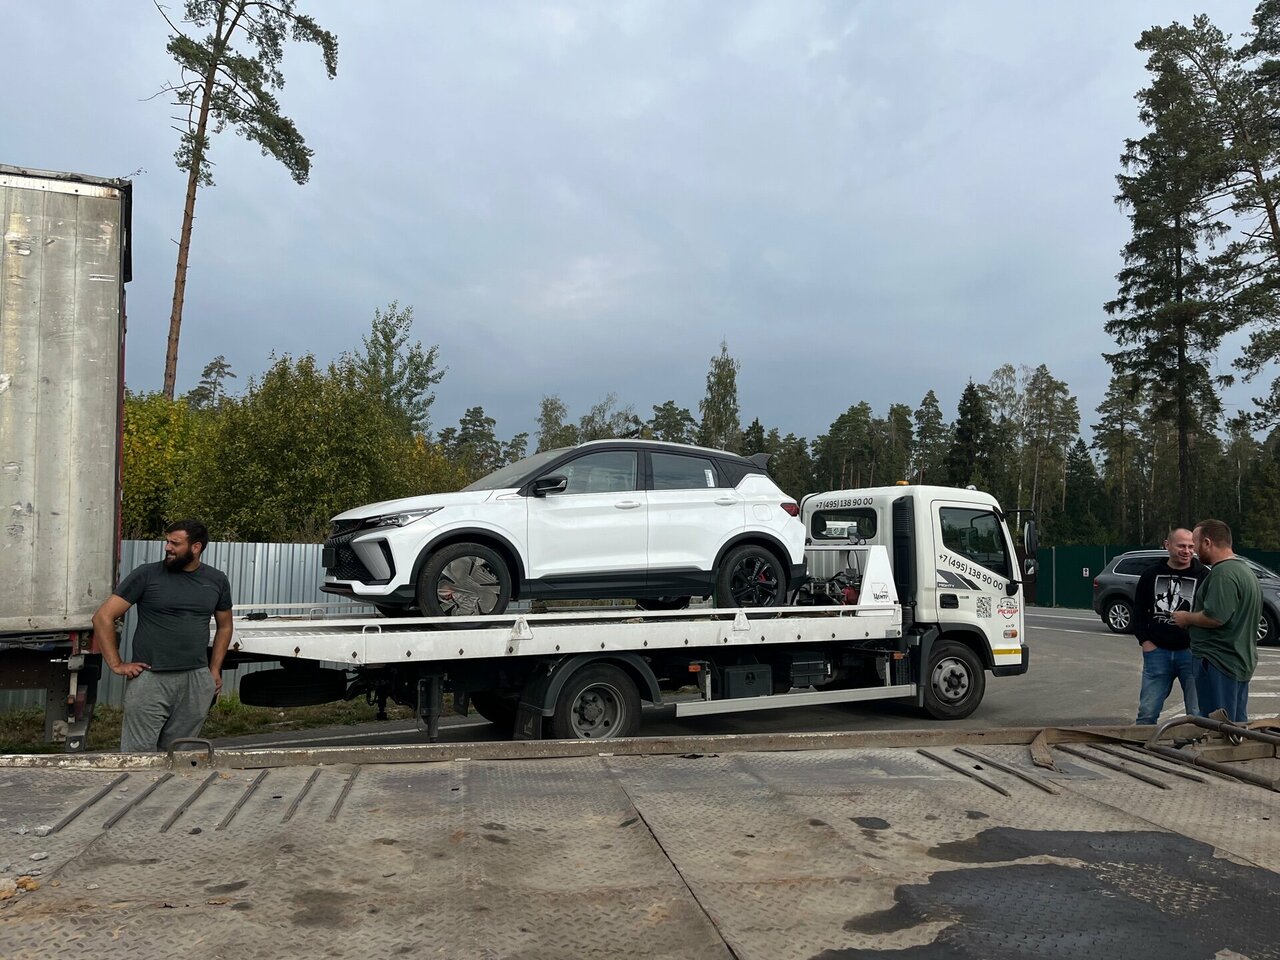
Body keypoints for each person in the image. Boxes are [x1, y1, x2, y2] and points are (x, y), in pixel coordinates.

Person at [92, 520, 233, 751]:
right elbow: (102, 617)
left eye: (175, 543)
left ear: (196, 547)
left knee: (179, 753)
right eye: (167, 542)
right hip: (151, 678)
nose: (168, 547)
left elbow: (225, 626)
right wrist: (116, 664)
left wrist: (214, 669)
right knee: (139, 755)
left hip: (196, 679)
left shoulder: (216, 580)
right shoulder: (147, 575)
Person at [1172, 519, 1262, 724]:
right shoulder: (1244, 571)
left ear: (1207, 542)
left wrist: (1186, 617)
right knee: (1236, 724)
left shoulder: (1223, 574)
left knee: (1219, 725)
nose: (1194, 551)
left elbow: (1216, 617)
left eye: (1195, 544)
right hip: (1236, 659)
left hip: (1218, 661)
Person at [1132, 528, 1207, 724]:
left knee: (1197, 712)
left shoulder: (1204, 576)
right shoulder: (1150, 574)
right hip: (1157, 652)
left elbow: (1210, 614)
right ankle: (1142, 740)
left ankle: (1194, 742)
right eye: (1181, 546)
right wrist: (1146, 642)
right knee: (1147, 711)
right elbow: (1138, 611)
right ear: (1167, 545)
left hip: (1191, 653)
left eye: (1191, 546)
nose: (1187, 551)